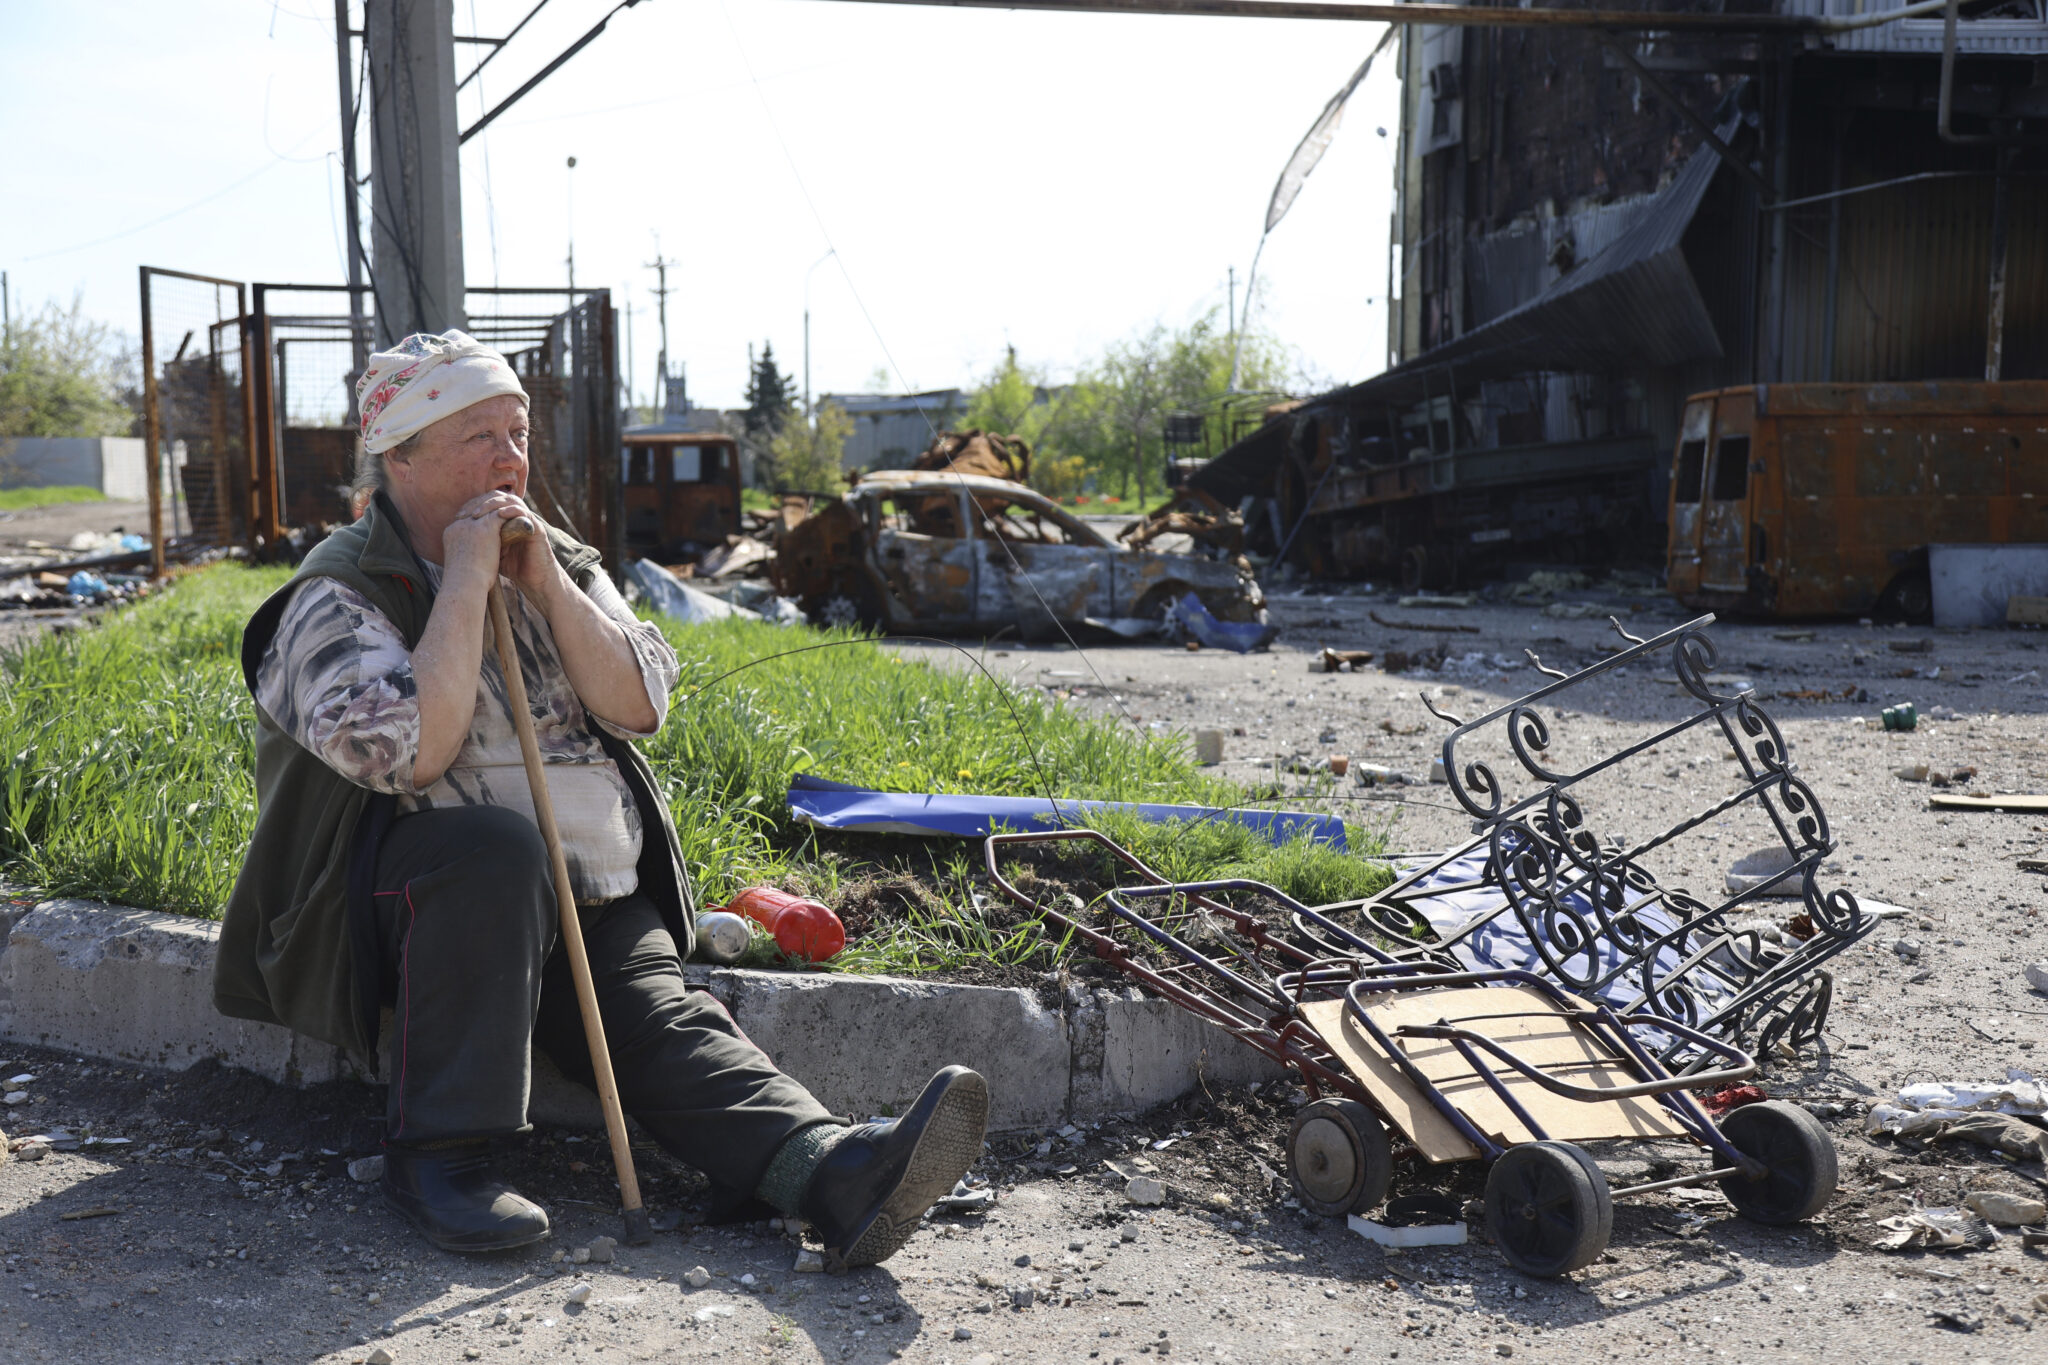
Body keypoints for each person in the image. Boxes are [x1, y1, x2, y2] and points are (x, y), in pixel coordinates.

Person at [213, 330, 987, 1264]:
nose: (511, 459)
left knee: (658, 1020)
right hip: (405, 910)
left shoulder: (559, 560)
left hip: (589, 891)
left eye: (518, 431)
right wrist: (462, 584)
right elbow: (405, 754)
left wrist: (542, 581)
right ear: (401, 458)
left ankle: (828, 1171)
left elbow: (640, 700)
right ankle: (440, 1157)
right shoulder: (333, 593)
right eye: (478, 437)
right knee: (495, 852)